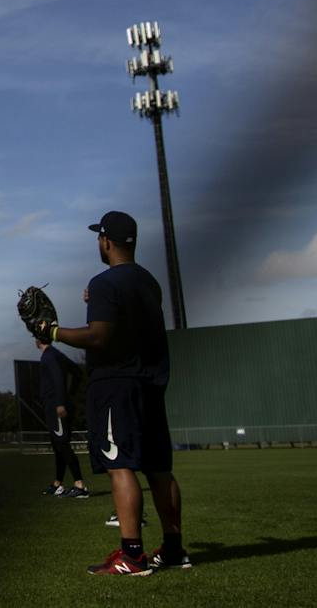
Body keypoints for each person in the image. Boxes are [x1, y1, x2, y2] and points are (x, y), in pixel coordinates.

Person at [40, 211, 189, 576]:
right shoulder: (149, 282)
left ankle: (132, 556)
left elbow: (99, 336)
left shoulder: (105, 283)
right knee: (159, 469)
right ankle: (173, 549)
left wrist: (53, 331)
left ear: (106, 241)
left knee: (119, 465)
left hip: (116, 385)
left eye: (99, 238)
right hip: (151, 383)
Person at [34, 338, 88, 498]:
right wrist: (69, 395)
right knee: (58, 446)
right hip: (56, 406)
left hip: (56, 407)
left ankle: (80, 485)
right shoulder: (55, 354)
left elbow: (58, 378)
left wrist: (60, 402)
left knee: (62, 445)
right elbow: (77, 372)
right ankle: (58, 483)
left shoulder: (49, 356)